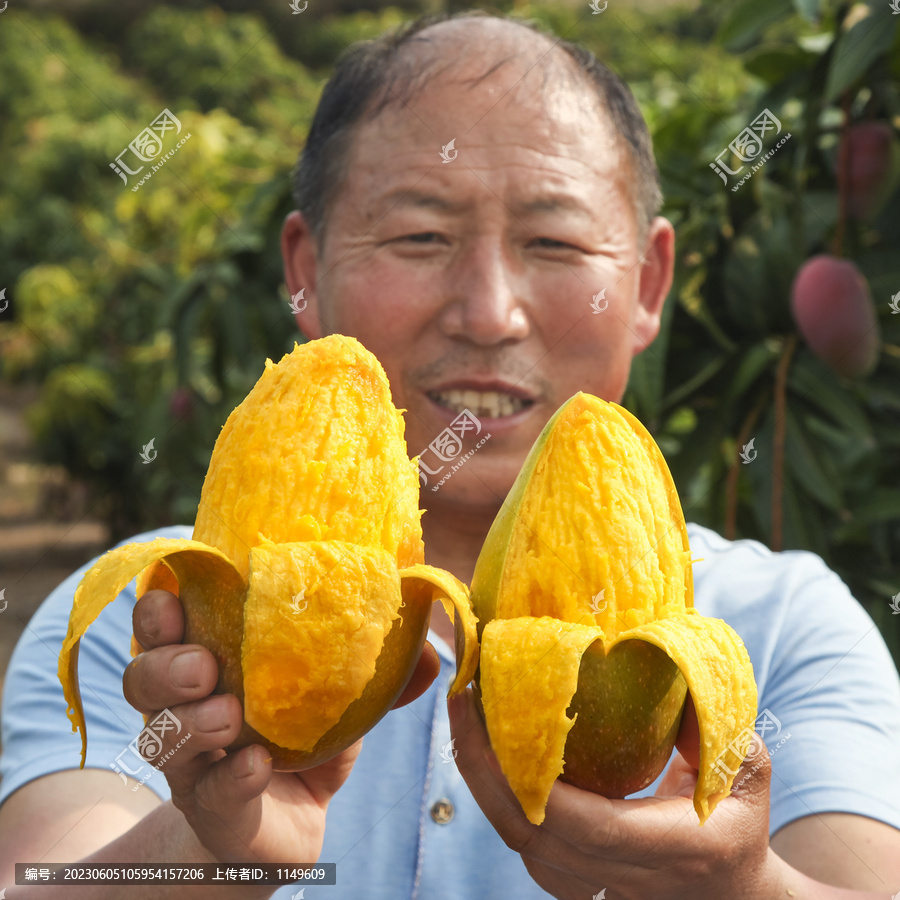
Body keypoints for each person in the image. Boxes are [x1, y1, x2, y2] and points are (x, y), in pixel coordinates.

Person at [2, 10, 900, 899]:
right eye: (421, 236)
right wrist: (199, 853)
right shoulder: (160, 611)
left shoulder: (788, 629)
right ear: (303, 273)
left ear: (647, 284)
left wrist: (744, 889)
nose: (490, 310)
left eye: (554, 241)